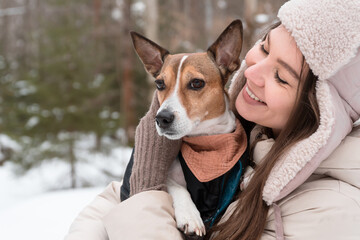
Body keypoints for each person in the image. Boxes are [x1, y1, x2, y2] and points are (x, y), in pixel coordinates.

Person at [64, 0, 360, 239]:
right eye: (265, 47)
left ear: (318, 107)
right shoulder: (248, 134)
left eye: (281, 77)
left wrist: (145, 190)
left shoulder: (332, 212)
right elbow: (107, 205)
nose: (252, 72)